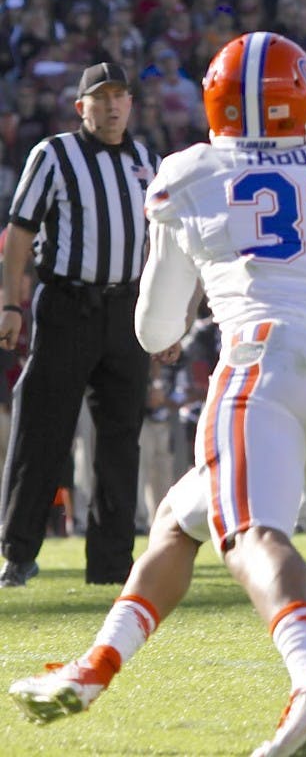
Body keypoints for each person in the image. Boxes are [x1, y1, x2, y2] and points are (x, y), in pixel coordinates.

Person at [9, 32, 306, 757]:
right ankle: (95, 667)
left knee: (251, 535)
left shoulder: (190, 173)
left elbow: (155, 326)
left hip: (260, 372)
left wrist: (195, 290)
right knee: (177, 520)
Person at [0, 62, 161, 587]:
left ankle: (112, 565)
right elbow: (20, 232)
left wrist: (167, 319)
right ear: (81, 106)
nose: (112, 106)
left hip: (127, 310)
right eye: (101, 97)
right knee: (43, 429)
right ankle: (18, 552)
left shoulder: (148, 161)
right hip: (69, 306)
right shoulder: (54, 154)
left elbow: (163, 244)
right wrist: (10, 304)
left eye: (120, 96)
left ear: (131, 102)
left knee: (121, 439)